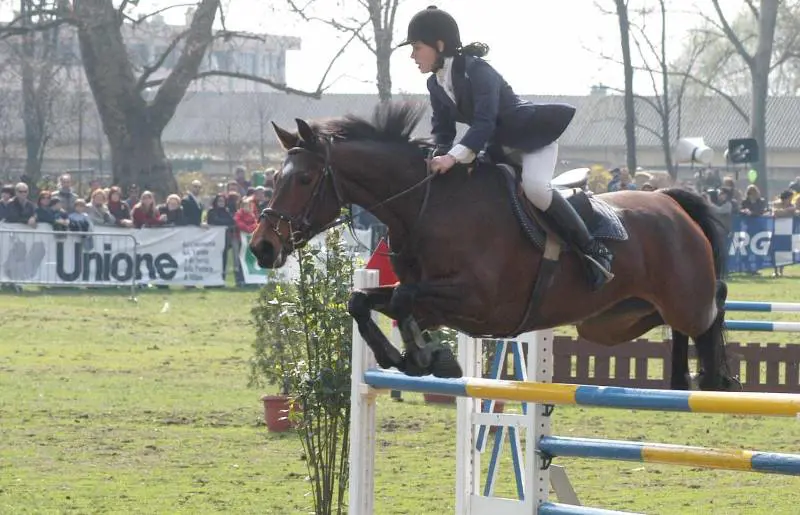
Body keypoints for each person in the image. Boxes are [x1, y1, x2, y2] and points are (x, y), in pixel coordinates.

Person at [398, 5, 613, 290]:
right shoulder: (435, 84)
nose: (413, 56)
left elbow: (483, 123)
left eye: (416, 47)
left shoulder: (478, 71)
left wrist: (452, 158)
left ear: (439, 45)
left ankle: (593, 249)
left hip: (532, 140)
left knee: (536, 188)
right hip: (498, 148)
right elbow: (443, 130)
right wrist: (436, 155)